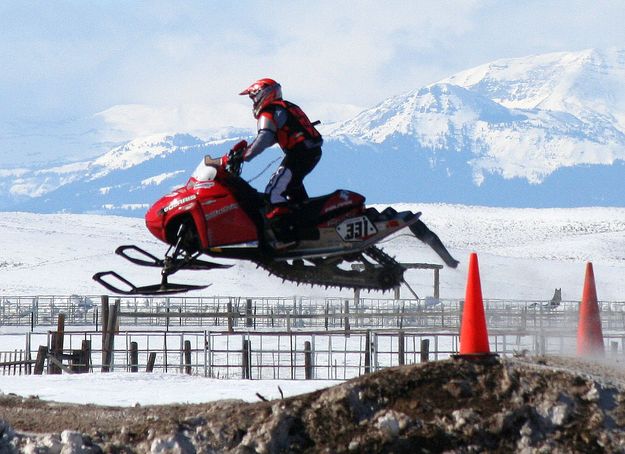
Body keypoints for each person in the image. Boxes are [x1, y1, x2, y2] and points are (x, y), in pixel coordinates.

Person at [232, 78, 323, 220]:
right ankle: (309, 220)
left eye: (254, 97)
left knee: (274, 192)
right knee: (292, 186)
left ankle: (284, 231)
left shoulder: (269, 112)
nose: (254, 102)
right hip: (310, 152)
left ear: (263, 93)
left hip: (299, 154)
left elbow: (265, 137)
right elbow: (277, 135)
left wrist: (244, 155)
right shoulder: (287, 106)